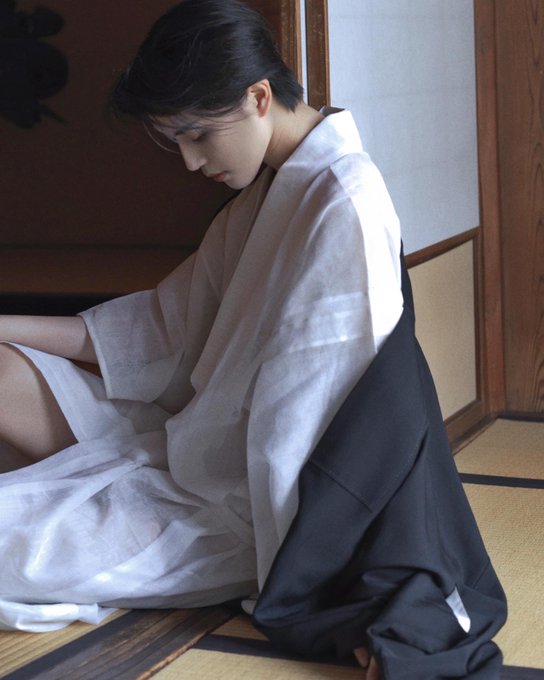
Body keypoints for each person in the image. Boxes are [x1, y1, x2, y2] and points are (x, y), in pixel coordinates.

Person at [0, 2, 505, 678]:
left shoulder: (345, 204)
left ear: (258, 97)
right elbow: (161, 330)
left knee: (11, 547)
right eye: (175, 141)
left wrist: (318, 583)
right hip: (188, 439)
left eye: (197, 135)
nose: (189, 161)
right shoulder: (265, 197)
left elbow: (312, 426)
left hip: (249, 509)